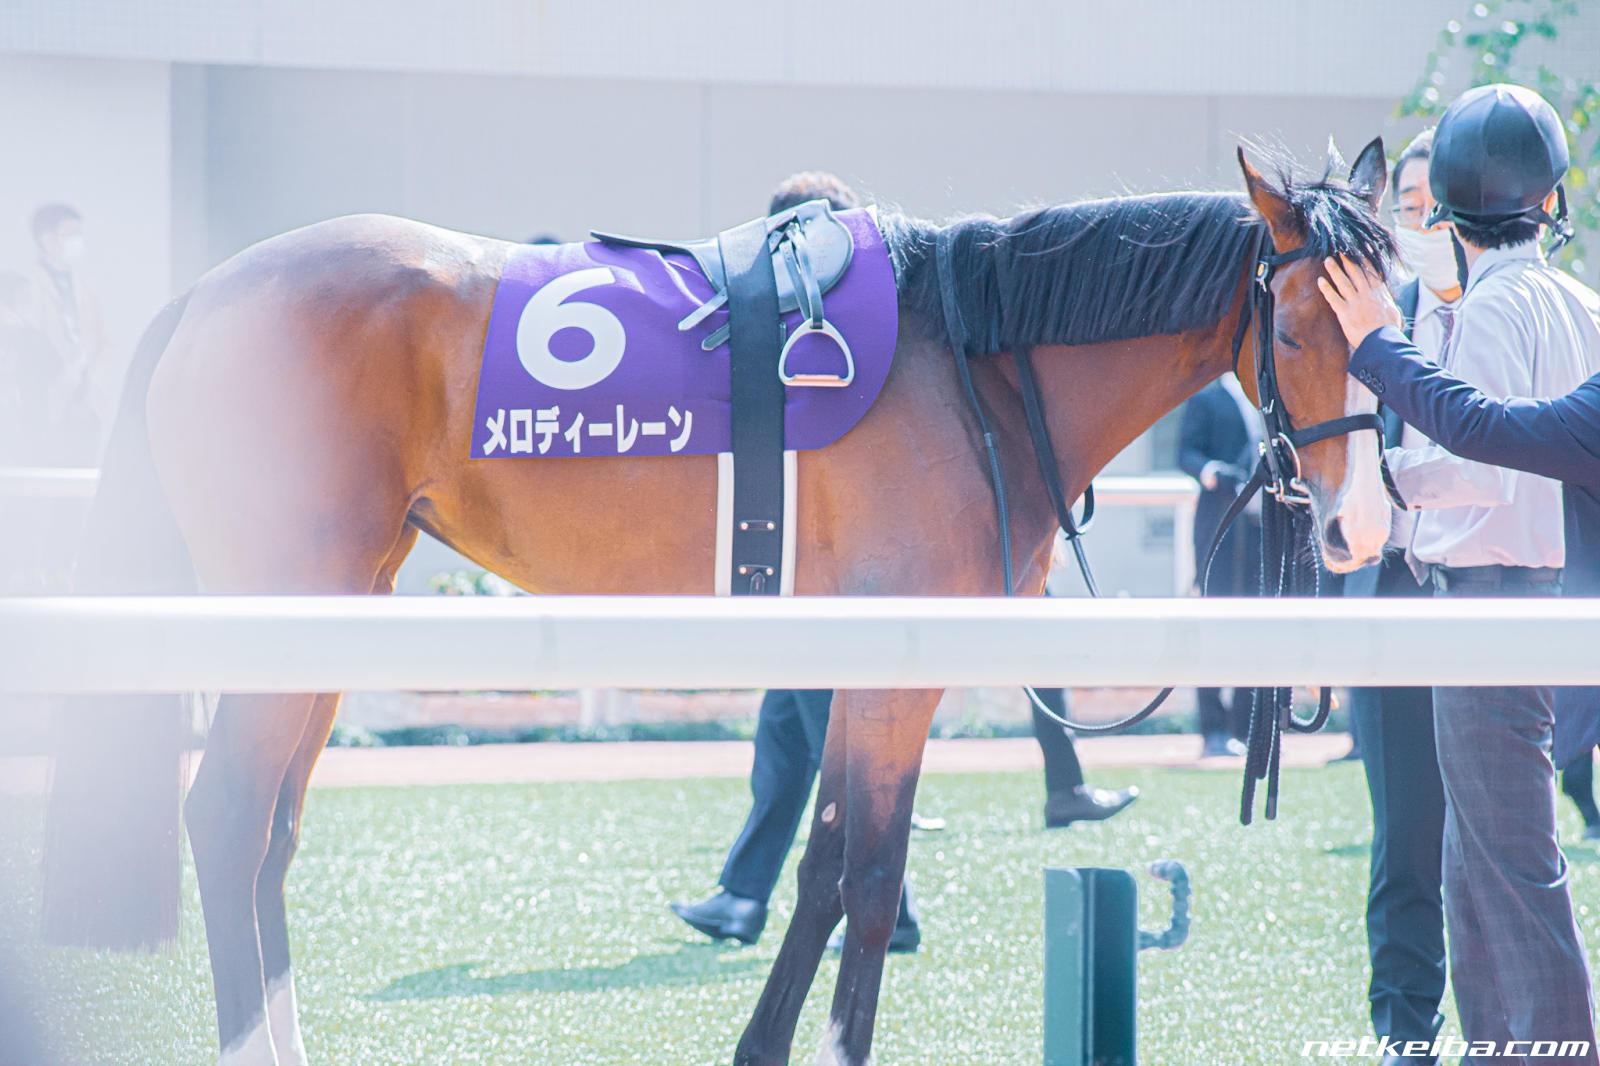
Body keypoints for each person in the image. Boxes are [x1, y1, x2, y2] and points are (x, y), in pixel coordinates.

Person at [671, 172, 1136, 954]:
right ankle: (743, 897)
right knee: (787, 739)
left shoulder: (851, 335)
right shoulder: (850, 329)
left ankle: (893, 909)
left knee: (846, 750)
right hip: (824, 579)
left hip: (845, 585)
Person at [1320, 83, 1600, 1063]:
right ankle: (1497, 1048)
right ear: (1549, 200)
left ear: (1440, 209)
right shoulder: (1579, 301)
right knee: (1474, 869)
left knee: (1509, 871)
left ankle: (1555, 1049)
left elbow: (1478, 466)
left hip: (1487, 603)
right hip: (1546, 600)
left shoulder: (1485, 309)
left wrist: (1384, 489)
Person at [1340, 129, 1451, 1065]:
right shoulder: (1371, 328)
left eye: (1431, 208)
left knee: (1503, 835)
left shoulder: (1505, 315)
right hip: (1392, 603)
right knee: (1406, 836)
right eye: (1406, 208)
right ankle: (1405, 1027)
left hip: (1496, 598)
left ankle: (1517, 1023)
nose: (1419, 224)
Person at [1178, 373, 1260, 757]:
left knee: (1255, 626)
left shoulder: (1268, 400)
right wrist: (1213, 472)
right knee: (1213, 623)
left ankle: (1247, 725)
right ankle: (1213, 727)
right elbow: (1187, 453)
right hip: (1219, 526)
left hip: (1261, 528)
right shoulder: (1207, 399)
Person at [24, 203, 107, 463]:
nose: (77, 242)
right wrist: (61, 378)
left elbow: (101, 340)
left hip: (85, 399)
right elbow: (30, 343)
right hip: (47, 397)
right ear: (46, 239)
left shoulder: (84, 286)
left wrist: (91, 376)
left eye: (78, 235)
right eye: (70, 235)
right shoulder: (28, 285)